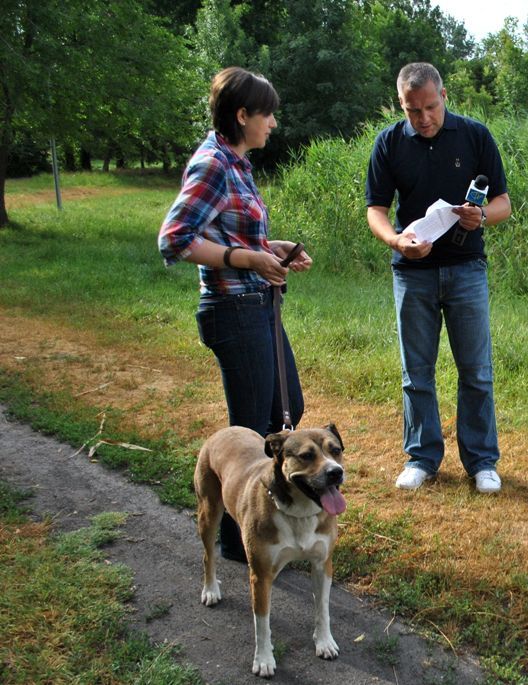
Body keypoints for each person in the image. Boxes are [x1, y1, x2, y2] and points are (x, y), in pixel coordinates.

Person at [159, 66, 312, 561]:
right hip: (233, 310)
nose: (273, 123)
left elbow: (227, 231)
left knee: (284, 411)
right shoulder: (213, 165)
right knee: (250, 432)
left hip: (257, 306)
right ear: (242, 114)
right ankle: (241, 542)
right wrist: (248, 259)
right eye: (267, 114)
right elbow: (174, 240)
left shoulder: (237, 163)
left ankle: (263, 525)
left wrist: (271, 248)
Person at [365, 62, 511, 494]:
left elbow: (503, 204)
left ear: (444, 96)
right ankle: (421, 458)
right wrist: (396, 241)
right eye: (413, 110)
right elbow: (376, 209)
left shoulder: (475, 135)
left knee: (476, 371)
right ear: (401, 105)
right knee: (416, 372)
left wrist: (480, 216)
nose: (423, 117)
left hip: (467, 269)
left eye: (430, 107)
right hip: (412, 272)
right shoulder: (389, 142)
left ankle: (481, 462)